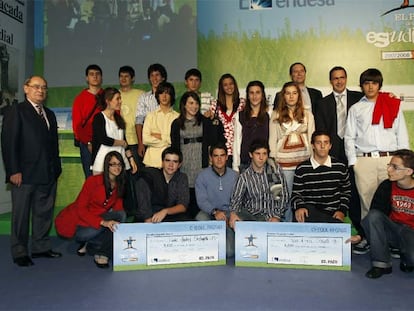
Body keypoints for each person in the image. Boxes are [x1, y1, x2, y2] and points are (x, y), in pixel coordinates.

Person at [344, 68, 409, 253]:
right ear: (361, 86)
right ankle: (369, 238)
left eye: (374, 82)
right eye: (366, 83)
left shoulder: (392, 103)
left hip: (390, 160)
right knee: (367, 203)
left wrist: (403, 163)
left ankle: (393, 241)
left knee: (392, 201)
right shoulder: (356, 108)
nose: (370, 86)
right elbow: (349, 137)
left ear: (379, 85)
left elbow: (401, 133)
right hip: (364, 161)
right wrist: (353, 163)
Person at [1, 76, 62, 267]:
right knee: (21, 215)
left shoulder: (50, 114)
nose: (41, 90)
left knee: (43, 212)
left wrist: (56, 169)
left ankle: (40, 247)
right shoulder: (16, 111)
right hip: (24, 174)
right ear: (26, 89)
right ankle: (19, 251)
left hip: (48, 173)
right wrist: (13, 171)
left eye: (44, 87)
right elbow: (9, 143)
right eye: (36, 87)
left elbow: (52, 145)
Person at [314, 66, 364, 246]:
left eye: (342, 77)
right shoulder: (322, 103)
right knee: (334, 194)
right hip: (332, 156)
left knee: (357, 195)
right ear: (330, 81)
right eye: (335, 78)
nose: (339, 81)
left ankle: (361, 234)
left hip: (356, 155)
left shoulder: (359, 99)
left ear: (346, 78)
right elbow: (321, 131)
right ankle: (335, 233)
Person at [55, 151, 127, 269]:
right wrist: (103, 222)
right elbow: (80, 209)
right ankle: (93, 245)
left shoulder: (119, 184)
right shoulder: (92, 181)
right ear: (106, 166)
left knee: (121, 215)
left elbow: (119, 208)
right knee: (109, 228)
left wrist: (121, 228)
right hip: (81, 224)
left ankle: (101, 251)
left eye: (119, 164)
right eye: (113, 164)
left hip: (97, 221)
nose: (117, 167)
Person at [171, 91, 225, 219]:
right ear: (184, 105)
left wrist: (214, 119)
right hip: (184, 162)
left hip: (201, 162)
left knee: (200, 190)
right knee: (186, 192)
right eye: (190, 103)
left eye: (196, 103)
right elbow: (174, 145)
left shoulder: (205, 121)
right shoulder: (176, 123)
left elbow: (216, 137)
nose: (194, 106)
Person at [362, 149, 414, 279]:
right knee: (373, 215)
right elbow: (375, 213)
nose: (389, 170)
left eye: (394, 167)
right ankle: (381, 264)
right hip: (393, 229)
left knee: (412, 259)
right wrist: (360, 235)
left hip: (411, 233)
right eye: (389, 165)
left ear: (409, 171)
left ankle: (407, 258)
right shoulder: (387, 185)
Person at [269, 81, 315, 221]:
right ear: (283, 96)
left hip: (304, 162)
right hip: (284, 164)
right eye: (288, 93)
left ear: (299, 96)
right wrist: (273, 160)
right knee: (286, 197)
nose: (291, 96)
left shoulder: (308, 115)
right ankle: (286, 227)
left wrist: (312, 161)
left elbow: (312, 137)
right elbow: (272, 139)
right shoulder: (276, 115)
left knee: (304, 198)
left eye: (294, 93)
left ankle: (303, 228)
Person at [291, 131, 351, 223]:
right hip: (310, 213)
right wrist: (300, 207)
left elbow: (346, 192)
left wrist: (342, 211)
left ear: (330, 145)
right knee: (301, 215)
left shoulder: (340, 167)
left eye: (326, 143)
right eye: (319, 143)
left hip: (334, 213)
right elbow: (296, 194)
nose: (322, 146)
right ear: (313, 145)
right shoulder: (302, 168)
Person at [229, 140, 288, 229]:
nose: (261, 157)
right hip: (252, 216)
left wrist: (277, 216)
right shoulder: (245, 176)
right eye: (258, 154)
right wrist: (233, 214)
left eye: (264, 154)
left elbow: (283, 196)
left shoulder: (275, 170)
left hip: (273, 217)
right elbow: (236, 200)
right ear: (251, 155)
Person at [195, 143, 238, 257]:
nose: (219, 159)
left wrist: (232, 214)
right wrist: (215, 212)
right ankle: (209, 246)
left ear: (227, 157)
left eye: (222, 155)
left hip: (229, 214)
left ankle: (224, 241)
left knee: (229, 252)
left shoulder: (235, 176)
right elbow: (201, 200)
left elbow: (239, 199)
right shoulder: (202, 176)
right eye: (215, 156)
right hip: (210, 212)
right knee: (200, 218)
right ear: (210, 158)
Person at [134, 147, 190, 223]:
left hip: (171, 215)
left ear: (179, 164)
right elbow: (143, 204)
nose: (171, 165)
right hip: (150, 215)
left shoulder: (182, 177)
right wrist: (147, 218)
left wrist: (165, 211)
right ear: (162, 162)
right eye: (167, 160)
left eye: (175, 161)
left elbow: (183, 206)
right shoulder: (150, 176)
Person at [91, 87, 137, 175]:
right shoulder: (99, 118)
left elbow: (124, 141)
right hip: (103, 162)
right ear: (108, 101)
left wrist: (131, 159)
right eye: (117, 99)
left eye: (120, 98)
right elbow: (103, 139)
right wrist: (121, 143)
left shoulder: (119, 118)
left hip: (121, 160)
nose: (120, 101)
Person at [72, 64, 104, 178]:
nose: (95, 77)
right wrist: (89, 142)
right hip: (87, 145)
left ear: (101, 77)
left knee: (109, 177)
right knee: (91, 178)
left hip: (106, 142)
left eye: (97, 74)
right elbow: (77, 125)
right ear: (87, 78)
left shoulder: (107, 96)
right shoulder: (80, 99)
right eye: (91, 74)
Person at [208, 73, 246, 167]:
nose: (229, 87)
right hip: (221, 151)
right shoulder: (215, 105)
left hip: (238, 149)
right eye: (225, 85)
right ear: (221, 87)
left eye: (231, 83)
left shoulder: (243, 103)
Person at [233, 80, 270, 173]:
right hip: (245, 163)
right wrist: (235, 165)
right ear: (248, 96)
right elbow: (237, 141)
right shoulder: (240, 115)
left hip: (264, 163)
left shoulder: (270, 114)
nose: (254, 96)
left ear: (262, 95)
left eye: (258, 92)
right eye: (251, 93)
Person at [135, 63, 168, 163]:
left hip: (166, 142)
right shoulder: (144, 98)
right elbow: (139, 121)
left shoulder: (169, 96)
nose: (155, 78)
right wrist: (140, 143)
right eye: (152, 76)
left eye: (157, 75)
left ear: (163, 78)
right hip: (149, 143)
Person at [142, 81, 179, 168]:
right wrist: (167, 140)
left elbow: (176, 140)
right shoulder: (150, 116)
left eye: (167, 93)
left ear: (172, 96)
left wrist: (160, 136)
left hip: (171, 163)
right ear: (157, 96)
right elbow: (146, 139)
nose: (164, 96)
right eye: (161, 93)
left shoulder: (178, 117)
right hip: (152, 162)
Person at [118, 65, 145, 167]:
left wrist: (141, 143)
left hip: (136, 141)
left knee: (136, 173)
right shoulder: (114, 95)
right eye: (121, 76)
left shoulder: (141, 94)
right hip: (119, 141)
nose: (123, 79)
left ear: (132, 78)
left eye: (126, 76)